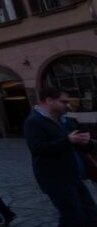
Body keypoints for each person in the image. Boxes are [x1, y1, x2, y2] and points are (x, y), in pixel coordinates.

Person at [24, 86, 97, 226]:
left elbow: (81, 147)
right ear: (49, 100)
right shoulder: (33, 122)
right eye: (63, 102)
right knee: (73, 217)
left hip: (75, 175)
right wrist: (68, 140)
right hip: (55, 179)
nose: (67, 105)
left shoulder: (66, 120)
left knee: (91, 214)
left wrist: (86, 141)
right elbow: (38, 148)